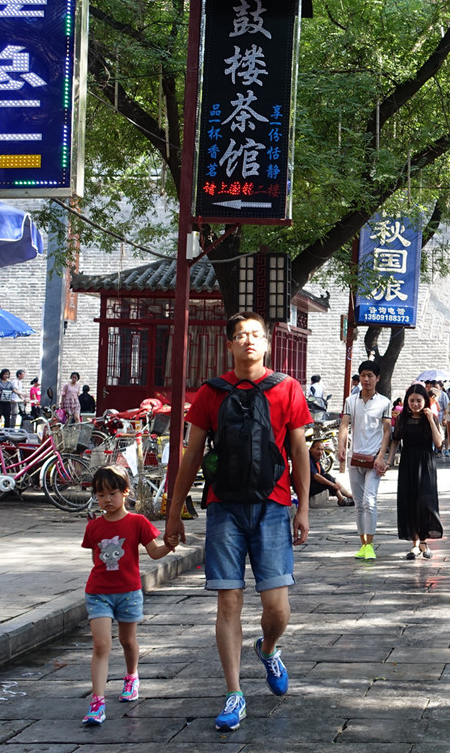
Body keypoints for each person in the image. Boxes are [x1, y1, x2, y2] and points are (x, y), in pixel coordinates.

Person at [164, 312, 311, 731]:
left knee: (277, 608)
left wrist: (302, 506)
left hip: (272, 506)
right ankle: (234, 692)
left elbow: (299, 452)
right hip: (224, 507)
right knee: (228, 601)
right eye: (241, 336)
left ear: (267, 344)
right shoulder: (211, 393)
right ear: (229, 345)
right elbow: (191, 455)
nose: (248, 341)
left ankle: (267, 648)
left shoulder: (288, 389)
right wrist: (174, 513)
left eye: (256, 335)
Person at [81, 465, 172, 725]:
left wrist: (170, 544)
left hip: (129, 593)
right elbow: (96, 560)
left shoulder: (137, 522)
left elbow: (154, 552)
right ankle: (97, 702)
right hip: (98, 593)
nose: (106, 500)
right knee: (101, 645)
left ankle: (131, 676)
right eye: (100, 495)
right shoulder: (94, 527)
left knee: (127, 641)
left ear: (125, 492)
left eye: (112, 493)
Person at [338, 360, 392, 558]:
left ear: (377, 378)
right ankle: (363, 544)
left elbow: (387, 431)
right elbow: (344, 425)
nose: (366, 379)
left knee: (370, 500)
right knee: (359, 503)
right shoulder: (351, 401)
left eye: (370, 376)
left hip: (373, 458)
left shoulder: (384, 402)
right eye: (363, 376)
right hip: (355, 457)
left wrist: (381, 456)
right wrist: (341, 447)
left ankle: (370, 543)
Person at [387, 383, 444, 560]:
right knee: (409, 501)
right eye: (411, 401)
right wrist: (388, 461)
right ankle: (414, 544)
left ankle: (424, 541)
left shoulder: (431, 417)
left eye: (419, 401)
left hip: (426, 463)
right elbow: (395, 440)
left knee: (425, 501)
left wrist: (430, 419)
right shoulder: (402, 418)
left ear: (425, 401)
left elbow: (439, 442)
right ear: (407, 401)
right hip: (407, 462)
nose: (415, 404)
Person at [308, 440, 353, 505]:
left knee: (329, 478)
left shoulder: (316, 459)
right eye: (318, 449)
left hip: (312, 483)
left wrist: (333, 483)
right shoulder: (308, 459)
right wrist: (332, 484)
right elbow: (316, 476)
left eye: (322, 450)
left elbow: (323, 474)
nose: (320, 452)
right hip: (306, 488)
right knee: (328, 480)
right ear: (311, 449)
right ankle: (342, 500)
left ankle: (349, 496)